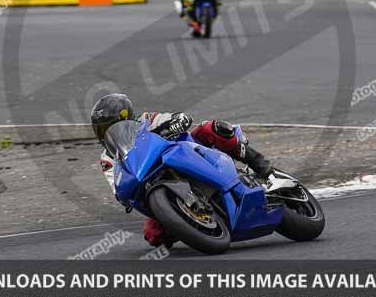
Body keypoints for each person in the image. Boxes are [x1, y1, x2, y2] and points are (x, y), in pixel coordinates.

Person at [90, 93, 274, 247]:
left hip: (189, 154)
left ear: (125, 118)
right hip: (153, 180)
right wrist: (123, 194)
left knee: (212, 129)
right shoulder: (108, 158)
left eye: (109, 126)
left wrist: (177, 122)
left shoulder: (146, 121)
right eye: (101, 129)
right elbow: (117, 186)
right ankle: (193, 222)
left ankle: (261, 166)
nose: (105, 132)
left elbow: (179, 118)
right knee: (153, 235)